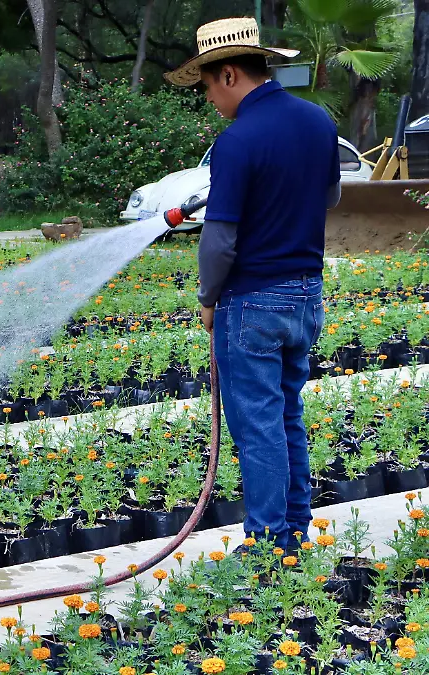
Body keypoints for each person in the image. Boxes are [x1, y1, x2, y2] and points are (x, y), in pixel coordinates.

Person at [165, 18, 341, 552]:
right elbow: (329, 197)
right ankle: (293, 532)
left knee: (258, 425)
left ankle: (266, 543)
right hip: (306, 294)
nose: (210, 100)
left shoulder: (237, 140)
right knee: (287, 413)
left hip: (254, 303)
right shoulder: (317, 121)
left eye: (207, 88)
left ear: (230, 74)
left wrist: (208, 298)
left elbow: (219, 242)